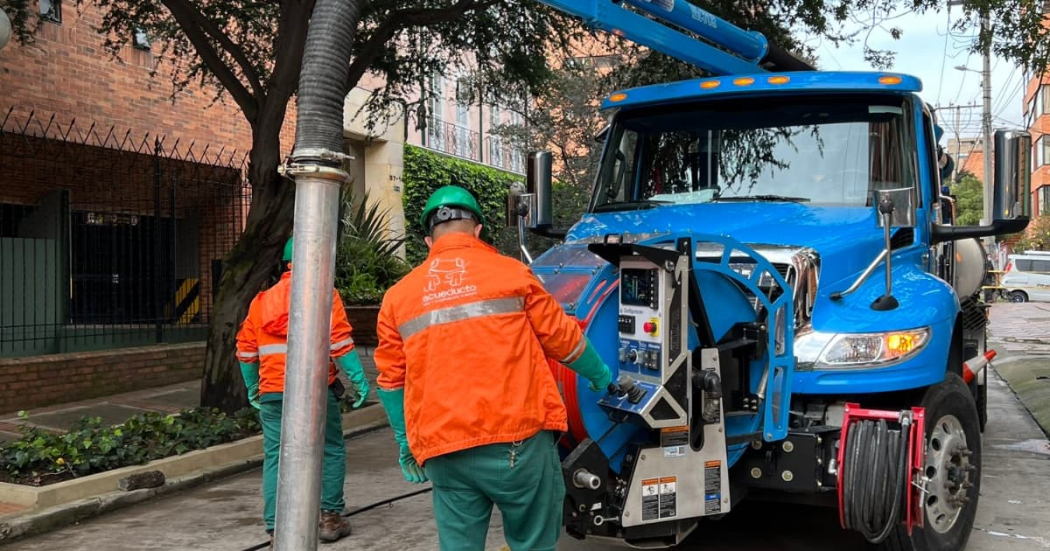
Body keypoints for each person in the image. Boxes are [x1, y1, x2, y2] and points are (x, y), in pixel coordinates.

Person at [374, 185, 613, 551]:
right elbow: (563, 339)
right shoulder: (512, 274)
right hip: (517, 446)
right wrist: (600, 376)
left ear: (427, 240)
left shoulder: (398, 297)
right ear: (478, 230)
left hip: (444, 450)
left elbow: (391, 381)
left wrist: (407, 442)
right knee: (532, 542)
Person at [235, 237, 370, 545]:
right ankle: (328, 518)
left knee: (276, 456)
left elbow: (245, 351)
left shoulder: (261, 301)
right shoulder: (324, 294)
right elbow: (340, 343)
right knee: (330, 449)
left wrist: (254, 388)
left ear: (285, 263)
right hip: (315, 393)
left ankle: (275, 527)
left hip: (272, 393)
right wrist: (360, 382)